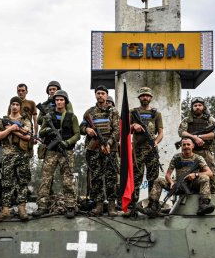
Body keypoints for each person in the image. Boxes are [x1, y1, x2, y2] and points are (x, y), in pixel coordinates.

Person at [34, 90, 80, 218]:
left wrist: (67, 142)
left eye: (61, 100)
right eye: (57, 100)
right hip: (52, 152)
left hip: (67, 151)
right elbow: (41, 133)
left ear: (65, 101)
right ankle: (42, 206)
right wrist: (48, 129)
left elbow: (77, 134)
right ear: (54, 102)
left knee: (67, 180)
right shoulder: (48, 116)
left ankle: (70, 206)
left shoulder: (72, 117)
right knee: (46, 179)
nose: (59, 102)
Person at [146, 137, 215, 216]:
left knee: (205, 178)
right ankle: (153, 206)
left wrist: (195, 175)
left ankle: (204, 204)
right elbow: (168, 174)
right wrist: (171, 182)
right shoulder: (176, 157)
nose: (186, 146)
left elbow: (210, 173)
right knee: (158, 180)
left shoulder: (198, 158)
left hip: (193, 184)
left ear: (193, 146)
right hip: (178, 185)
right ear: (181, 146)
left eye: (188, 144)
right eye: (184, 145)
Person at [0, 97, 33, 222]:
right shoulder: (3, 121)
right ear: (10, 106)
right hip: (8, 155)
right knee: (6, 183)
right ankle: (5, 210)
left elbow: (28, 136)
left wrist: (15, 131)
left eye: (17, 104)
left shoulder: (25, 120)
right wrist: (10, 128)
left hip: (22, 155)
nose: (15, 106)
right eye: (13, 104)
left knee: (22, 182)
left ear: (20, 106)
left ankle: (22, 209)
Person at [80, 86, 119, 216]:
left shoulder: (113, 111)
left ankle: (112, 206)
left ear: (107, 95)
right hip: (94, 149)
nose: (100, 95)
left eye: (103, 93)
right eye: (98, 93)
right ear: (95, 95)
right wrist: (87, 130)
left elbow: (117, 130)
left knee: (111, 177)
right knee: (96, 177)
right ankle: (99, 205)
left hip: (109, 149)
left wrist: (108, 143)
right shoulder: (90, 112)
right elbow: (81, 127)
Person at [126, 86, 163, 215]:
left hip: (151, 150)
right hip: (138, 150)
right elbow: (124, 129)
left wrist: (156, 143)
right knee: (136, 179)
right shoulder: (133, 112)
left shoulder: (156, 114)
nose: (145, 97)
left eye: (147, 95)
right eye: (142, 96)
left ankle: (152, 206)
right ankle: (132, 206)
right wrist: (133, 125)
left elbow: (161, 133)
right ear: (139, 98)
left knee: (153, 179)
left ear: (151, 98)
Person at [178, 97, 215, 193]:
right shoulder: (187, 120)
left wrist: (200, 136)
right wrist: (194, 138)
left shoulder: (210, 119)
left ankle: (211, 195)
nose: (197, 107)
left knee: (211, 172)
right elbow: (181, 132)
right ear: (192, 107)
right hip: (191, 153)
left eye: (199, 105)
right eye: (195, 105)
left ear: (203, 107)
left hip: (205, 151)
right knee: (188, 173)